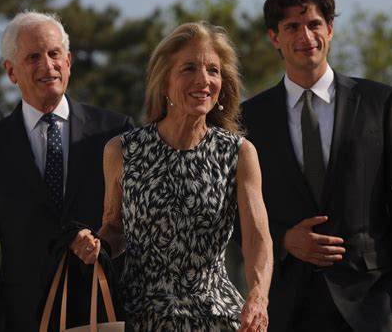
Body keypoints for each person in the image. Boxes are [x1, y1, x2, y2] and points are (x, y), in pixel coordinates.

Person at [70, 21, 273, 331]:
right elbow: (114, 228)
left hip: (215, 318)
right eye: (189, 68)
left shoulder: (239, 153)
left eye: (213, 71)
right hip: (140, 317)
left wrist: (258, 297)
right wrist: (97, 244)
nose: (203, 80)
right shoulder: (122, 150)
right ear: (164, 83)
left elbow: (257, 238)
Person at [238, 0, 392, 331]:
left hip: (374, 304)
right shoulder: (248, 120)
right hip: (288, 307)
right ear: (275, 38)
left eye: (314, 24)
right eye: (292, 27)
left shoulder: (381, 103)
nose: (306, 37)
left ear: (330, 29)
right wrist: (283, 239)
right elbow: (232, 214)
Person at [0, 11, 134, 332]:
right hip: (22, 319)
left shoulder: (116, 132)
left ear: (68, 61)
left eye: (54, 54)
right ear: (10, 71)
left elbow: (139, 228)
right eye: (33, 57)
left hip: (105, 313)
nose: (47, 66)